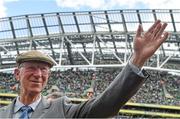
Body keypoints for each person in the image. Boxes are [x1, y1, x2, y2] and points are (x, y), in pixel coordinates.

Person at [0, 20, 169, 118]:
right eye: (32, 68)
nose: (38, 74)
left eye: (44, 70)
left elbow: (105, 106)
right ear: (17, 73)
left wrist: (138, 59)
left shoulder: (61, 109)